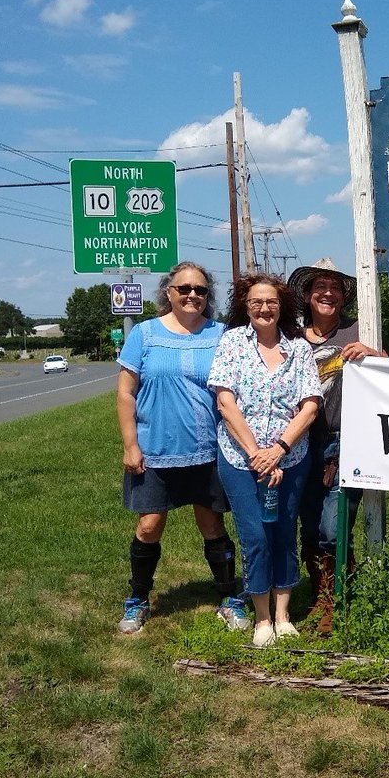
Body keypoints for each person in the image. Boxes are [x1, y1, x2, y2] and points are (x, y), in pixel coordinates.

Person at [115, 262, 245, 635]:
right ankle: (138, 599)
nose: (192, 295)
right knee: (149, 525)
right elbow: (126, 392)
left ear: (209, 296)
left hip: (208, 450)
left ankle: (228, 597)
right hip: (155, 450)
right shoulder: (144, 334)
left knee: (212, 525)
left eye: (201, 290)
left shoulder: (223, 335)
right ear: (168, 292)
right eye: (184, 288)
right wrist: (130, 444)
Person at [209, 273, 321, 648]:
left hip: (290, 459)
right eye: (256, 301)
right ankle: (261, 616)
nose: (264, 308)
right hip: (241, 460)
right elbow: (226, 402)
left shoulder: (299, 348)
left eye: (271, 301)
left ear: (281, 306)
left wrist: (280, 451)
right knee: (255, 535)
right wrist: (258, 453)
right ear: (245, 305)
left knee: (284, 532)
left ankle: (283, 614)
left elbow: (310, 406)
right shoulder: (231, 343)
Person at [286, 258, 386, 634]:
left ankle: (338, 598)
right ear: (308, 295)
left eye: (334, 287)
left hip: (348, 441)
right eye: (319, 287)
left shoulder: (359, 330)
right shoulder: (292, 339)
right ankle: (321, 599)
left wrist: (375, 355)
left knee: (334, 525)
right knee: (309, 526)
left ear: (344, 297)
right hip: (302, 444)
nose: (327, 293)